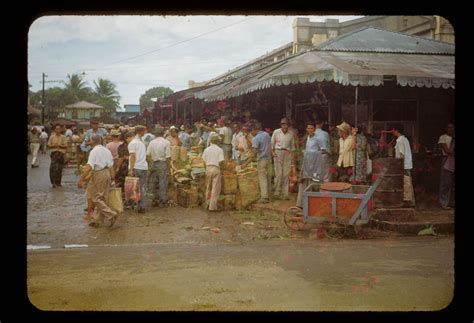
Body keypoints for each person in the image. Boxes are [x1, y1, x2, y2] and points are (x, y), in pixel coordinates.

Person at [77, 134, 117, 228]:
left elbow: (89, 166)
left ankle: (111, 214)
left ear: (92, 141)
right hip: (107, 173)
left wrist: (81, 179)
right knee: (103, 197)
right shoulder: (106, 150)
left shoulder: (94, 151)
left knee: (96, 198)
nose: (88, 142)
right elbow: (111, 166)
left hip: (99, 173)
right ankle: (97, 220)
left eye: (89, 140)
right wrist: (112, 178)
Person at [242, 122, 272, 203]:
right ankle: (269, 195)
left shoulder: (256, 138)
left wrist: (245, 163)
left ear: (255, 130)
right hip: (269, 160)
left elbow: (253, 154)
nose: (251, 133)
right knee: (268, 178)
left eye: (251, 131)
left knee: (262, 179)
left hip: (262, 160)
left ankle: (264, 198)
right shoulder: (267, 135)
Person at [296, 122, 324, 208]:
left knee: (313, 183)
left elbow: (323, 150)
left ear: (314, 129)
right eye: (308, 128)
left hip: (315, 165)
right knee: (303, 183)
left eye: (312, 128)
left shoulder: (318, 139)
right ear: (306, 129)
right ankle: (300, 204)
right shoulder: (306, 138)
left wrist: (313, 153)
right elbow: (301, 149)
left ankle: (312, 204)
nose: (310, 130)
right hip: (306, 164)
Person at [271, 118, 296, 200]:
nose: (285, 126)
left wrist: (292, 157)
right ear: (281, 125)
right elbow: (272, 143)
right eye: (283, 124)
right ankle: (277, 192)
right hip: (278, 152)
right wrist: (272, 152)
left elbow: (292, 147)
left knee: (286, 173)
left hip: (287, 153)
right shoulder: (276, 132)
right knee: (278, 173)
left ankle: (285, 194)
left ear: (288, 125)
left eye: (286, 124)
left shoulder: (291, 133)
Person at [392, 123, 415, 208]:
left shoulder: (400, 140)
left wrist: (398, 166)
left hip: (403, 165)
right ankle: (410, 201)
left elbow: (402, 155)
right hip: (407, 164)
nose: (392, 132)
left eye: (393, 130)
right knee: (408, 183)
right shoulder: (405, 139)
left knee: (406, 183)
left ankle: (408, 202)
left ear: (396, 130)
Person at [146, 127, 171, 207]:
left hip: (153, 163)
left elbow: (148, 155)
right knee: (163, 182)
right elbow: (168, 157)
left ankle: (152, 200)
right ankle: (162, 201)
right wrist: (168, 167)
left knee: (153, 182)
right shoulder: (166, 142)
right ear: (163, 133)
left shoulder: (151, 142)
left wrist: (151, 164)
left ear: (155, 134)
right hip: (162, 163)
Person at [127, 125, 148, 213]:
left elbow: (133, 157)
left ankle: (134, 205)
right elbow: (133, 156)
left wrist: (131, 169)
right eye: (144, 131)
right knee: (142, 187)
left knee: (134, 188)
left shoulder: (133, 143)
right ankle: (142, 206)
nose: (145, 133)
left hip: (136, 167)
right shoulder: (141, 143)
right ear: (140, 132)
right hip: (143, 167)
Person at [202, 135, 225, 211]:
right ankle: (212, 207)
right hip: (216, 168)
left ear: (211, 141)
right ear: (217, 141)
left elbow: (204, 161)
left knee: (208, 187)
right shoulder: (219, 150)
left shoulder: (206, 149)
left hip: (208, 168)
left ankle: (207, 203)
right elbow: (221, 162)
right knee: (215, 188)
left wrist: (206, 169)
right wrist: (222, 169)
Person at [438, 123, 455, 210]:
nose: (451, 129)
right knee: (446, 182)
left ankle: (451, 202)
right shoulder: (443, 137)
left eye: (452, 127)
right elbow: (447, 150)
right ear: (446, 128)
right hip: (447, 160)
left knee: (452, 183)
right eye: (449, 127)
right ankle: (443, 203)